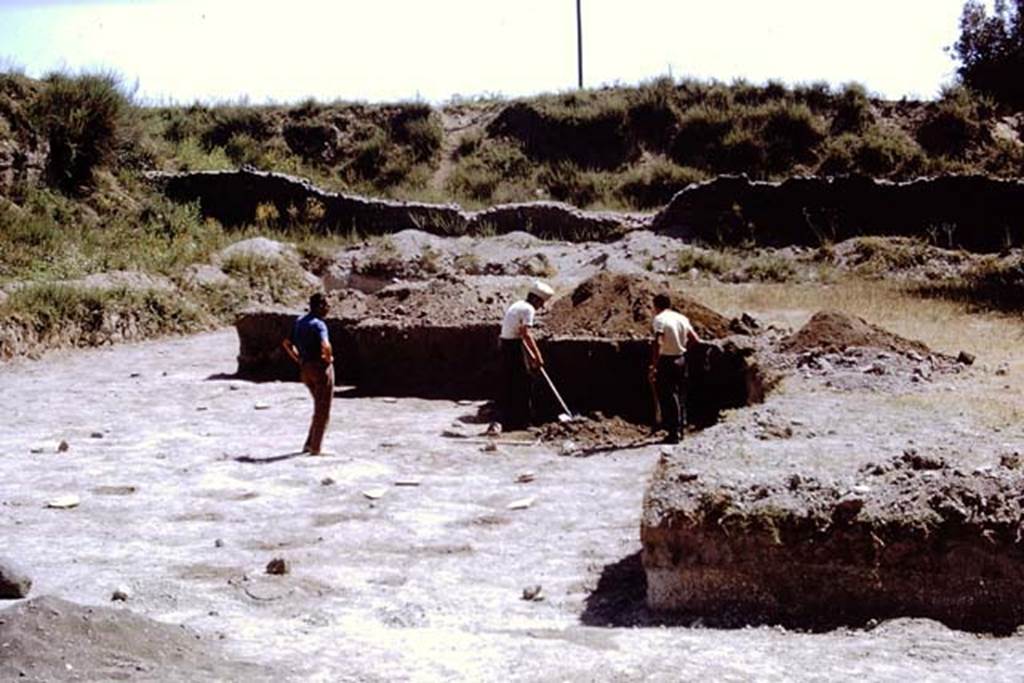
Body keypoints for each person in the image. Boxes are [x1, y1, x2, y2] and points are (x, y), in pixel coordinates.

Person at [281, 292, 334, 455]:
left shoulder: (299, 322)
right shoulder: (319, 324)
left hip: (305, 369)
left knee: (319, 407)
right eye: (326, 306)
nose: (328, 309)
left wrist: (298, 359)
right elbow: (325, 345)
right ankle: (315, 448)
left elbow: (286, 343)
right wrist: (329, 358)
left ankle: (309, 444)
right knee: (323, 410)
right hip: (320, 368)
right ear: (320, 307)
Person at [497, 280, 554, 431]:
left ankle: (508, 420)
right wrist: (538, 356)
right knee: (523, 384)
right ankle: (522, 423)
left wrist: (531, 356)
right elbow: (525, 334)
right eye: (541, 302)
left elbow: (518, 334)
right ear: (536, 299)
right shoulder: (528, 309)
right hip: (513, 347)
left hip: (505, 345)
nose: (541, 306)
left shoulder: (517, 304)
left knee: (511, 384)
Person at [648, 292, 702, 444]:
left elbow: (658, 343)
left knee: (668, 397)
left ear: (656, 306)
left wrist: (654, 365)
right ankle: (681, 429)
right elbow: (696, 339)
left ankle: (673, 434)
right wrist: (682, 348)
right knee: (680, 395)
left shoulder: (659, 319)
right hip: (681, 360)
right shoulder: (681, 318)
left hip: (667, 361)